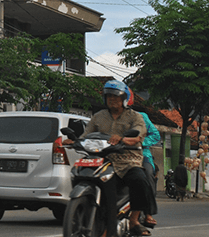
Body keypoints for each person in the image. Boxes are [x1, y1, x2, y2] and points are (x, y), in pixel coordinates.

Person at [65, 80, 157, 236]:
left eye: (116, 97)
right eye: (109, 97)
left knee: (140, 180)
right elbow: (86, 134)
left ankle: (134, 220)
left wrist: (123, 139)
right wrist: (74, 141)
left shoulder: (135, 117)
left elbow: (138, 134)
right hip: (103, 159)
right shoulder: (99, 117)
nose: (112, 100)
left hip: (128, 160)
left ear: (124, 99)